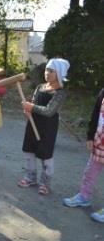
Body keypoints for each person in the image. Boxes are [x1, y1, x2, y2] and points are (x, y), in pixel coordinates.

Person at [17, 58, 70, 195]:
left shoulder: (60, 92)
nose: (47, 73)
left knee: (45, 154)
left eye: (51, 71)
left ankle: (45, 183)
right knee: (29, 150)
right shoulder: (40, 87)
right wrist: (28, 110)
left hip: (47, 127)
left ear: (59, 73)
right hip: (33, 123)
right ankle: (30, 177)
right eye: (46, 69)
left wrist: (31, 106)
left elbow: (49, 111)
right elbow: (33, 103)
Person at [63, 87, 104, 222]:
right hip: (99, 140)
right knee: (90, 171)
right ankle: (84, 197)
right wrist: (90, 136)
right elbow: (95, 113)